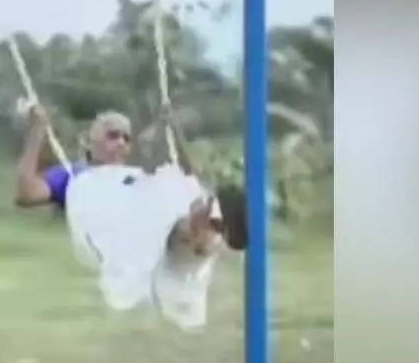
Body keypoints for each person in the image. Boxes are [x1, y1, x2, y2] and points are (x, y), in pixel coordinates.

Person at [14, 104, 246, 326]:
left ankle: (211, 232)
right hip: (129, 243)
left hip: (158, 235)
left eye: (126, 138)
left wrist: (173, 133)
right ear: (88, 140)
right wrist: (36, 134)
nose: (121, 144)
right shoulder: (75, 178)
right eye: (112, 135)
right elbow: (26, 194)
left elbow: (187, 183)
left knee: (191, 199)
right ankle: (209, 235)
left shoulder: (133, 174)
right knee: (187, 223)